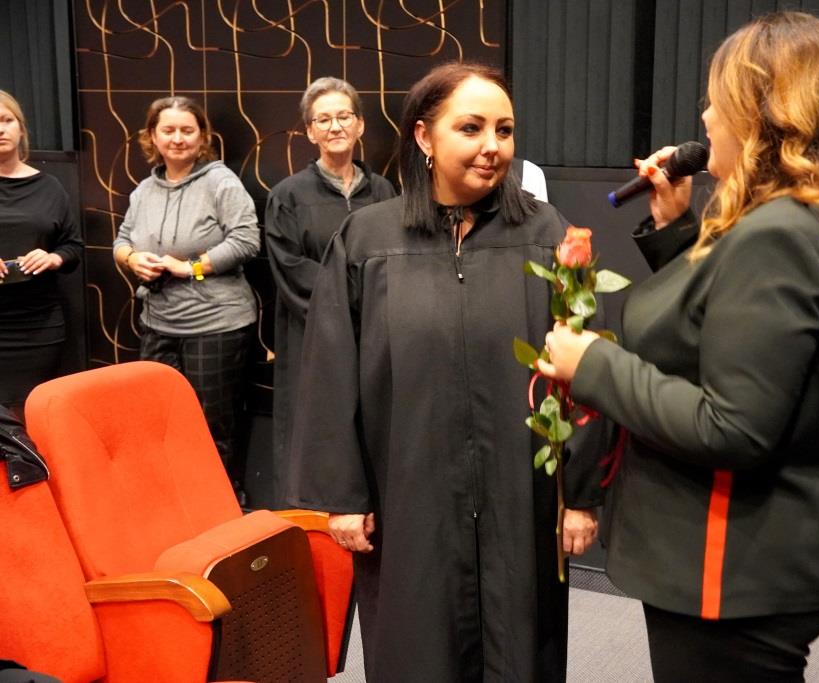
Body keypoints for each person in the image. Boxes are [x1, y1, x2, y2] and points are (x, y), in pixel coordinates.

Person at [539, 12, 819, 682]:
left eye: (715, 101)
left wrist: (593, 365)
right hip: (743, 563)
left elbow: (733, 427)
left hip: (731, 570)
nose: (703, 118)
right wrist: (675, 228)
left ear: (761, 114)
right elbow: (717, 332)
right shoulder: (798, 218)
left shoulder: (779, 235)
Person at [286, 62, 604, 682]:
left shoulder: (547, 235)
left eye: (504, 130)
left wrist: (581, 495)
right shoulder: (366, 239)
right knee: (417, 643)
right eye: (471, 128)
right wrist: (343, 498)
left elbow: (589, 375)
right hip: (407, 492)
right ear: (424, 137)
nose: (493, 146)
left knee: (520, 646)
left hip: (523, 497)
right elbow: (330, 372)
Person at [112, 96, 260, 501]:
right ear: (152, 136)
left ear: (202, 136)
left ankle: (220, 503)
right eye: (168, 130)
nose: (178, 139)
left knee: (212, 426)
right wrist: (132, 259)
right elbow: (122, 239)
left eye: (187, 130)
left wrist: (189, 268)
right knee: (157, 420)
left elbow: (247, 241)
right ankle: (171, 503)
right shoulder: (144, 190)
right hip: (157, 323)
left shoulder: (220, 183)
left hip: (216, 324)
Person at [265, 77, 395, 505]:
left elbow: (395, 260)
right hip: (312, 333)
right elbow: (288, 266)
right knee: (314, 426)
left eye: (344, 116)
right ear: (309, 131)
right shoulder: (287, 196)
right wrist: (342, 307)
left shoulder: (384, 192)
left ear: (360, 125)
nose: (335, 126)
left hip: (374, 330)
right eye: (323, 119)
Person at [0, 90, 84, 419]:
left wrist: (53, 258)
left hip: (38, 324)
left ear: (21, 128)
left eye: (7, 120)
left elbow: (72, 246)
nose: (1, 129)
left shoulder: (49, 187)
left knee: (32, 415)